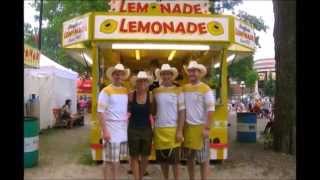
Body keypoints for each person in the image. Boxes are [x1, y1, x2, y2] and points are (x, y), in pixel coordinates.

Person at [182, 61, 215, 180]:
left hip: (201, 128)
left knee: (203, 160)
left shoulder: (206, 89)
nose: (192, 73)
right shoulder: (184, 88)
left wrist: (207, 128)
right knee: (190, 159)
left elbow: (211, 109)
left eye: (194, 71)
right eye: (190, 71)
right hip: (188, 128)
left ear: (199, 73)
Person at [97, 64, 130, 180]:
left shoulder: (125, 91)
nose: (118, 76)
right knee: (108, 160)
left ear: (123, 76)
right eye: (116, 73)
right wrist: (105, 131)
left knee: (117, 160)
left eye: (120, 74)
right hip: (110, 129)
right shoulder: (105, 91)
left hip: (122, 129)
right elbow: (100, 112)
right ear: (112, 75)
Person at [152, 64, 185, 180]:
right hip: (159, 130)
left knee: (175, 162)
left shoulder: (178, 90)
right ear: (160, 76)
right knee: (163, 161)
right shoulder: (155, 91)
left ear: (172, 76)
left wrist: (180, 131)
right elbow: (153, 111)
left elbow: (182, 111)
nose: (166, 76)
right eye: (164, 74)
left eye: (168, 74)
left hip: (173, 130)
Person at [127, 71, 154, 180]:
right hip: (133, 129)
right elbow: (125, 111)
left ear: (148, 83)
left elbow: (154, 113)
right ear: (136, 83)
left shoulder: (151, 96)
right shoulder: (130, 95)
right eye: (140, 81)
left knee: (145, 157)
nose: (142, 83)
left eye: (144, 81)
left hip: (147, 130)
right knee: (134, 156)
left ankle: (140, 177)